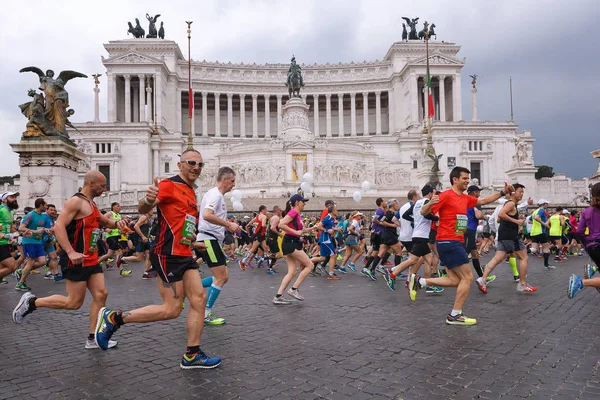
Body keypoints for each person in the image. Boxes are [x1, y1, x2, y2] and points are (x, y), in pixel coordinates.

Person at [93, 149, 222, 369]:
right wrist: (148, 198)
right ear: (180, 164)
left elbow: (182, 224)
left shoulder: (191, 191)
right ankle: (115, 318)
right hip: (167, 254)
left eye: (200, 165)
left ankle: (192, 354)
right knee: (171, 309)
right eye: (192, 163)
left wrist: (191, 241)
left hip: (183, 253)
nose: (196, 168)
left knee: (198, 300)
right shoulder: (168, 185)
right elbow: (144, 207)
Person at [12, 171, 126, 350]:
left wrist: (119, 224)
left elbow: (105, 222)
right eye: (102, 186)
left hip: (91, 258)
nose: (105, 189)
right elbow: (59, 226)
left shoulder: (92, 204)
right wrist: (70, 251)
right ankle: (32, 302)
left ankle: (92, 338)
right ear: (90, 183)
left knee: (101, 294)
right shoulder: (75, 202)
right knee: (74, 302)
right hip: (76, 259)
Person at [411, 166, 514, 325]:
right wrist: (430, 203)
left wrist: (502, 193)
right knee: (468, 277)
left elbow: (483, 200)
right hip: (449, 241)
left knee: (455, 280)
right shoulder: (445, 196)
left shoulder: (465, 198)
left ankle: (420, 282)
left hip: (453, 241)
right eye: (465, 178)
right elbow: (423, 213)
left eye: (468, 178)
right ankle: (454, 315)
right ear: (455, 180)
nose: (468, 181)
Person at [195, 166, 241, 325]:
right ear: (225, 180)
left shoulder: (215, 194)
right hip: (209, 240)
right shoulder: (216, 195)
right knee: (221, 277)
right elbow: (207, 215)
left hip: (210, 239)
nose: (234, 185)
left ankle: (189, 289)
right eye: (232, 181)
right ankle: (205, 314)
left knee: (222, 276)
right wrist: (228, 225)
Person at [476, 184, 537, 293]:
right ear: (513, 192)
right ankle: (522, 284)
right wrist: (516, 221)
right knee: (524, 258)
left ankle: (483, 279)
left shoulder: (507, 204)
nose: (522, 194)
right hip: (511, 235)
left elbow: (499, 219)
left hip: (503, 235)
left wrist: (514, 218)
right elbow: (501, 214)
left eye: (522, 192)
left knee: (497, 259)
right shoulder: (511, 204)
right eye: (520, 192)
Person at [272, 194, 319, 305]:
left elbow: (300, 230)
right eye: (303, 202)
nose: (305, 204)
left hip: (290, 242)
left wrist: (312, 228)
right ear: (297, 202)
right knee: (310, 265)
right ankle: (294, 289)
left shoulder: (297, 214)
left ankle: (278, 296)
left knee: (292, 272)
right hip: (291, 243)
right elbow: (281, 224)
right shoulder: (293, 212)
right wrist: (295, 232)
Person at [15, 198, 49, 291]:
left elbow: (40, 227)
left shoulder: (42, 216)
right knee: (30, 263)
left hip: (38, 242)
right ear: (41, 205)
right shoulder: (30, 215)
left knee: (43, 262)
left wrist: (45, 230)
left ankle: (21, 271)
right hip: (29, 242)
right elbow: (21, 228)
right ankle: (20, 283)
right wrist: (35, 231)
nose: (47, 207)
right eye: (45, 205)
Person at [122, 210, 156, 279]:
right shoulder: (143, 217)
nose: (153, 211)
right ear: (147, 210)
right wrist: (143, 236)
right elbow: (136, 226)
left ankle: (146, 273)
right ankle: (122, 258)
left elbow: (146, 230)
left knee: (149, 257)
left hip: (146, 240)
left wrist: (150, 236)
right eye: (151, 210)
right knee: (139, 258)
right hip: (140, 241)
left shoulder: (149, 218)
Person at [0, 191, 20, 284]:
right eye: (12, 197)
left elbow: (11, 228)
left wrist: (20, 233)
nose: (15, 199)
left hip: (6, 242)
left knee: (3, 269)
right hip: (0, 243)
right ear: (4, 200)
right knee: (12, 266)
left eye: (15, 197)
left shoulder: (11, 212)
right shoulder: (1, 209)